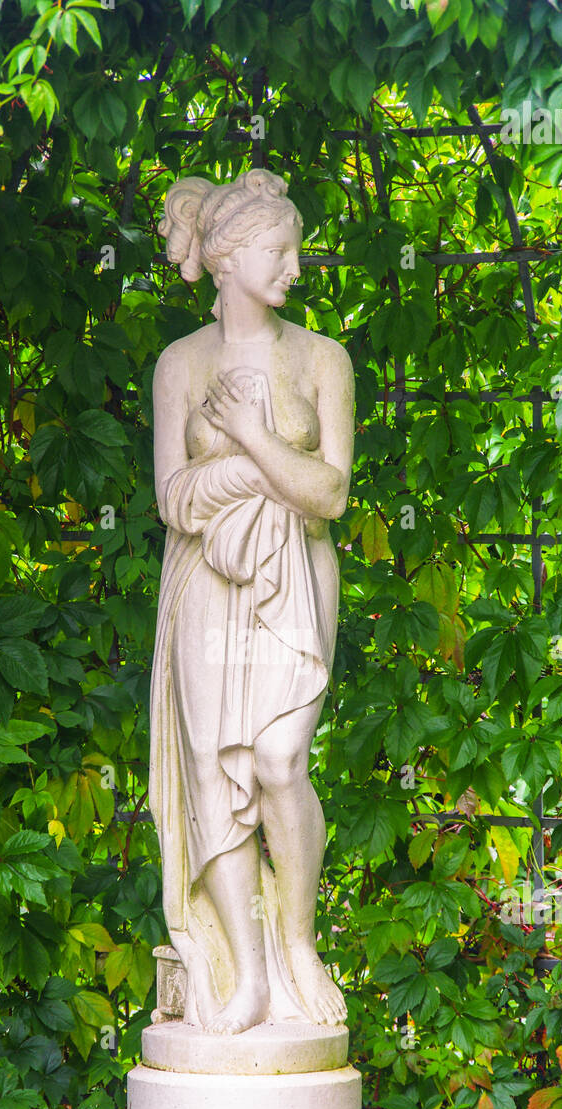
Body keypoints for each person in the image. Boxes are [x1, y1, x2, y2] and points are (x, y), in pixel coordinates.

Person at [149, 169, 354, 1035]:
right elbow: (172, 499)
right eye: (280, 252)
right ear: (228, 260)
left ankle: (297, 941)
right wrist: (257, 468)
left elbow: (330, 495)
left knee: (277, 761)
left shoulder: (320, 359)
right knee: (211, 777)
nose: (295, 269)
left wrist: (252, 440)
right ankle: (246, 976)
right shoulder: (181, 365)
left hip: (296, 585)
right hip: (205, 588)